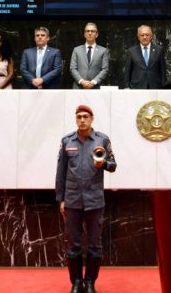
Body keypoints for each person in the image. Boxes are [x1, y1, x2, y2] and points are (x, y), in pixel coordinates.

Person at [56, 105, 117, 293]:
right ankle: (76, 282)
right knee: (73, 244)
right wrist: (61, 199)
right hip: (72, 199)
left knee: (94, 244)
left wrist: (103, 163)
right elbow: (61, 172)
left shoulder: (102, 140)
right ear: (76, 119)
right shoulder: (67, 141)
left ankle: (90, 282)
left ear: (92, 118)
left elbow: (113, 165)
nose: (82, 120)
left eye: (85, 116)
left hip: (94, 200)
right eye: (79, 117)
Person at [124, 25, 166, 89]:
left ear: (151, 36)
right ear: (138, 37)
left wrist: (163, 87)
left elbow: (162, 70)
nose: (144, 37)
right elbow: (127, 71)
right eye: (142, 35)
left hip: (155, 87)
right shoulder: (131, 51)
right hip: (136, 87)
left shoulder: (159, 50)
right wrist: (126, 86)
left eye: (147, 35)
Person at [70, 23, 110, 89]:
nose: (90, 33)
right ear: (84, 34)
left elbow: (105, 69)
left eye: (92, 31)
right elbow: (73, 68)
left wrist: (93, 82)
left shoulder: (103, 51)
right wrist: (82, 81)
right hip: (79, 87)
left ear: (97, 34)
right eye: (87, 31)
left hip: (96, 88)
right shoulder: (76, 50)